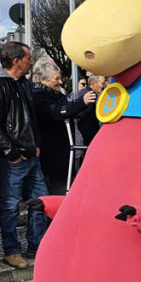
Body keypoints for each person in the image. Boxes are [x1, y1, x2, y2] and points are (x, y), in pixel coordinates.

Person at [0, 41, 49, 270]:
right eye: (28, 58)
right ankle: (11, 251)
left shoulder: (23, 83)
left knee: (40, 201)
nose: (32, 62)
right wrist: (11, 153)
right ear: (16, 61)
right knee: (10, 206)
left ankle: (36, 246)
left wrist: (36, 145)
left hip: (30, 156)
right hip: (13, 159)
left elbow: (31, 119)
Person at [31, 60, 95, 195]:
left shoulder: (56, 94)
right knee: (58, 191)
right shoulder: (37, 97)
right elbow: (57, 112)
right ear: (42, 80)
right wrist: (82, 102)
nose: (60, 82)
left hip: (64, 154)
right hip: (52, 156)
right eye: (56, 79)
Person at [77, 75, 104, 146]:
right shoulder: (90, 95)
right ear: (93, 84)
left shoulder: (86, 92)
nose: (103, 86)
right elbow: (86, 114)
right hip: (88, 132)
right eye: (102, 83)